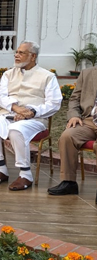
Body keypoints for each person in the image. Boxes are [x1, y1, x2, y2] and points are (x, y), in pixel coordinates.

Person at [0, 41, 61, 191]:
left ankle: (25, 174)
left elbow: (54, 103)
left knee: (16, 130)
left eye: (21, 53)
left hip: (35, 119)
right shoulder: (8, 74)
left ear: (33, 56)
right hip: (9, 114)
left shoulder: (47, 76)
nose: (16, 55)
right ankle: (1, 170)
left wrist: (32, 111)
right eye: (16, 52)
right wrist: (15, 108)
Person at [49, 66, 97, 201]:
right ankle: (69, 182)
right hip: (88, 120)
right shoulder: (87, 73)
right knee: (67, 137)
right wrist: (74, 116)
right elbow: (75, 98)